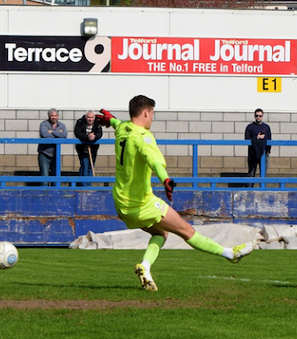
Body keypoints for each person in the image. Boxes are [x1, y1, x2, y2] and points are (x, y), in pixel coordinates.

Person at [98, 95, 254, 291]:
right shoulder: (144, 137)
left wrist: (109, 119)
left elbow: (117, 123)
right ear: (145, 112)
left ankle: (145, 266)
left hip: (121, 204)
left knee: (161, 233)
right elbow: (154, 161)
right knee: (186, 231)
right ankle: (230, 254)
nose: (152, 119)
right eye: (152, 114)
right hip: (141, 204)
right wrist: (165, 179)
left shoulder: (123, 129)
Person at [38, 108, 67, 184]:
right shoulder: (43, 124)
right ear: (48, 116)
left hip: (56, 155)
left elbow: (64, 135)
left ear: (58, 116)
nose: (54, 117)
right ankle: (44, 194)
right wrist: (58, 134)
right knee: (44, 177)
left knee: (56, 177)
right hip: (44, 154)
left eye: (55, 115)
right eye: (52, 116)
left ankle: (55, 194)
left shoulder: (62, 125)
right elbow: (44, 135)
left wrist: (52, 132)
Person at [74, 110, 103, 182]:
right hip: (82, 148)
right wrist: (87, 137)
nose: (90, 119)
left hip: (93, 148)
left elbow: (99, 133)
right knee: (84, 165)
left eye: (92, 117)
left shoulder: (97, 123)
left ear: (94, 117)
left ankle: (89, 184)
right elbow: (77, 133)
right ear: (86, 117)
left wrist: (94, 136)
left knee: (91, 166)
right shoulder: (80, 122)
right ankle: (83, 185)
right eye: (88, 117)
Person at [244, 108, 272, 177]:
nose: (258, 117)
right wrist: (257, 138)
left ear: (263, 116)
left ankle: (263, 187)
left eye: (260, 116)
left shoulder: (266, 127)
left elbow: (269, 139)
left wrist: (268, 151)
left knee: (263, 173)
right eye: (257, 116)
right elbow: (247, 139)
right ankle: (250, 188)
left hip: (264, 152)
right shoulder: (250, 127)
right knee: (251, 173)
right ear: (254, 116)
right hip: (252, 153)